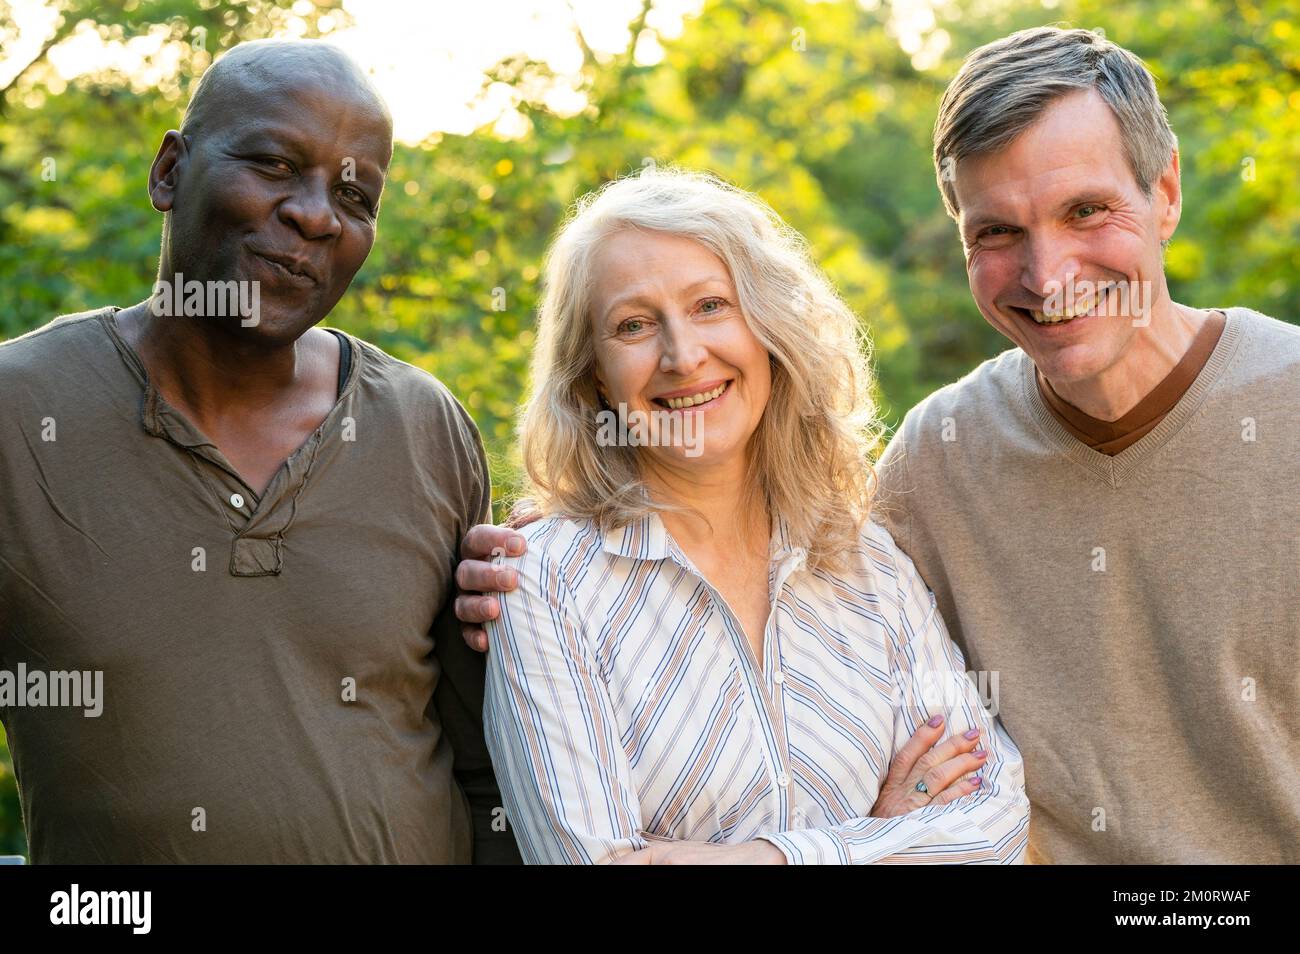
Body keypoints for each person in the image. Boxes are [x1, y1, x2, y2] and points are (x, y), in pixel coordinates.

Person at [457, 27, 1299, 863]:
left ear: (1167, 191)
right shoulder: (940, 456)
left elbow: (985, 819)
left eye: (1085, 210)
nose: (1047, 274)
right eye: (998, 232)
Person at [0, 40, 517, 863]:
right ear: (169, 171)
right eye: (275, 164)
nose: (316, 215)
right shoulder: (20, 412)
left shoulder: (424, 429)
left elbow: (496, 772)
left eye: (356, 194)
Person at [477, 169, 1028, 864]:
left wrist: (769, 858)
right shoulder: (548, 583)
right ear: (593, 376)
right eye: (634, 325)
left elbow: (996, 820)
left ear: (770, 329)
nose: (683, 356)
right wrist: (886, 834)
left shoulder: (864, 558)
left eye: (711, 305)